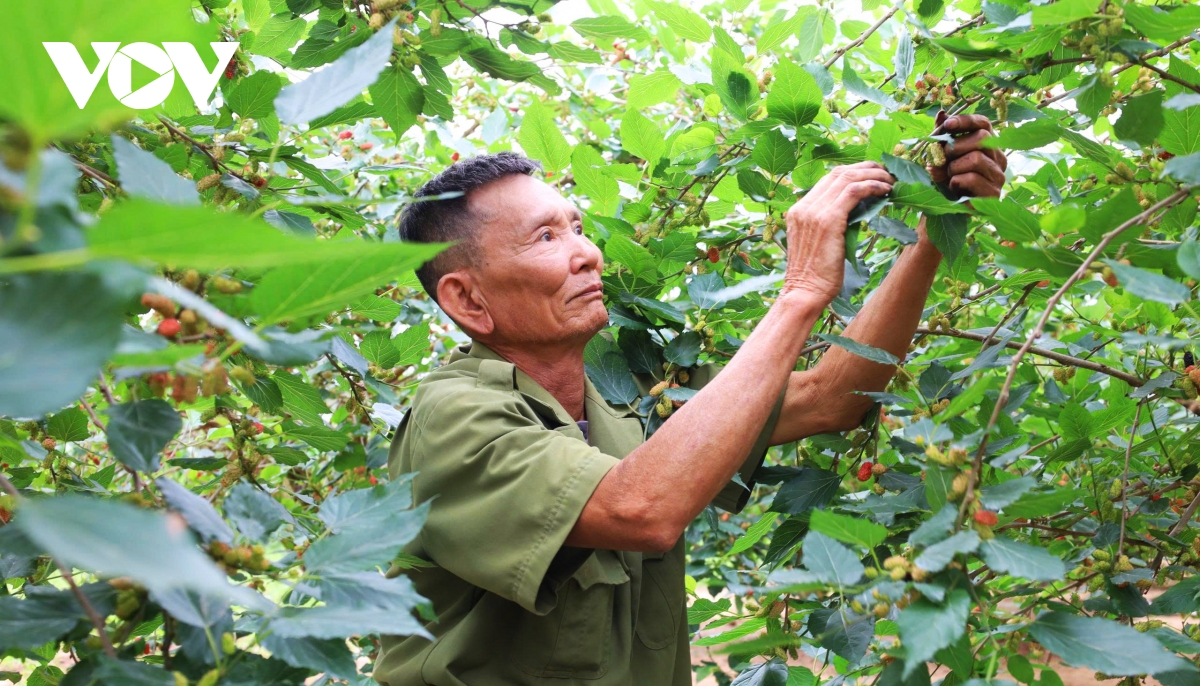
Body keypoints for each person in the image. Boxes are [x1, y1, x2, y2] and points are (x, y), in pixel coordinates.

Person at [372, 115, 1007, 686]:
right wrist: (802, 289)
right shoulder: (452, 416)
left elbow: (828, 399)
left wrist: (932, 232)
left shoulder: (628, 396)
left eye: (577, 228)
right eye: (544, 239)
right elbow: (640, 509)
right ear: (467, 300)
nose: (588, 254)